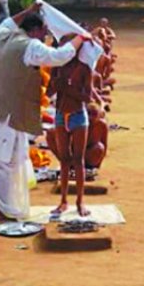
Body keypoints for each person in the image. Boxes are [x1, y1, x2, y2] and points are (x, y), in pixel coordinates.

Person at [0, 1, 86, 220]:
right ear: (34, 31)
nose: (44, 37)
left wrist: (30, 10)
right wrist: (82, 38)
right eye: (43, 32)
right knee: (5, 162)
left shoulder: (4, 35)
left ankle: (2, 206)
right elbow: (59, 56)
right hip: (4, 115)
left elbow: (9, 21)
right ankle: (6, 211)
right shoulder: (29, 46)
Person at [46, 34, 93, 217]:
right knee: (64, 160)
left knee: (78, 160)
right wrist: (56, 86)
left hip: (78, 116)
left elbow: (87, 97)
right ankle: (63, 201)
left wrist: (68, 89)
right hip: (60, 115)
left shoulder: (84, 69)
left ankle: (80, 201)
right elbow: (49, 91)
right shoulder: (56, 68)